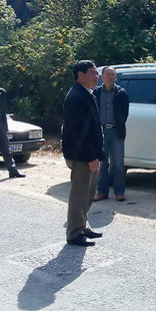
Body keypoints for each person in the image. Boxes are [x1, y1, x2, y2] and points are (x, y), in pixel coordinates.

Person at [61, 60, 105, 247]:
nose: (97, 76)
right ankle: (74, 233)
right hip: (83, 155)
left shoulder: (86, 93)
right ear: (80, 75)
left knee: (89, 192)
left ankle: (82, 225)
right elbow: (80, 132)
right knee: (80, 194)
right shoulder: (76, 97)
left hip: (89, 153)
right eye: (93, 73)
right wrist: (91, 157)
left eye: (97, 73)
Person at [93, 66, 130, 202]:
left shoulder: (121, 93)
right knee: (102, 164)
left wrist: (119, 125)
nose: (110, 76)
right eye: (108, 74)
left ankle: (119, 192)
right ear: (102, 77)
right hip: (101, 131)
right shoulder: (96, 93)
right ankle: (102, 191)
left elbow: (124, 113)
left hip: (116, 131)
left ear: (116, 77)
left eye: (113, 74)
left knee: (118, 164)